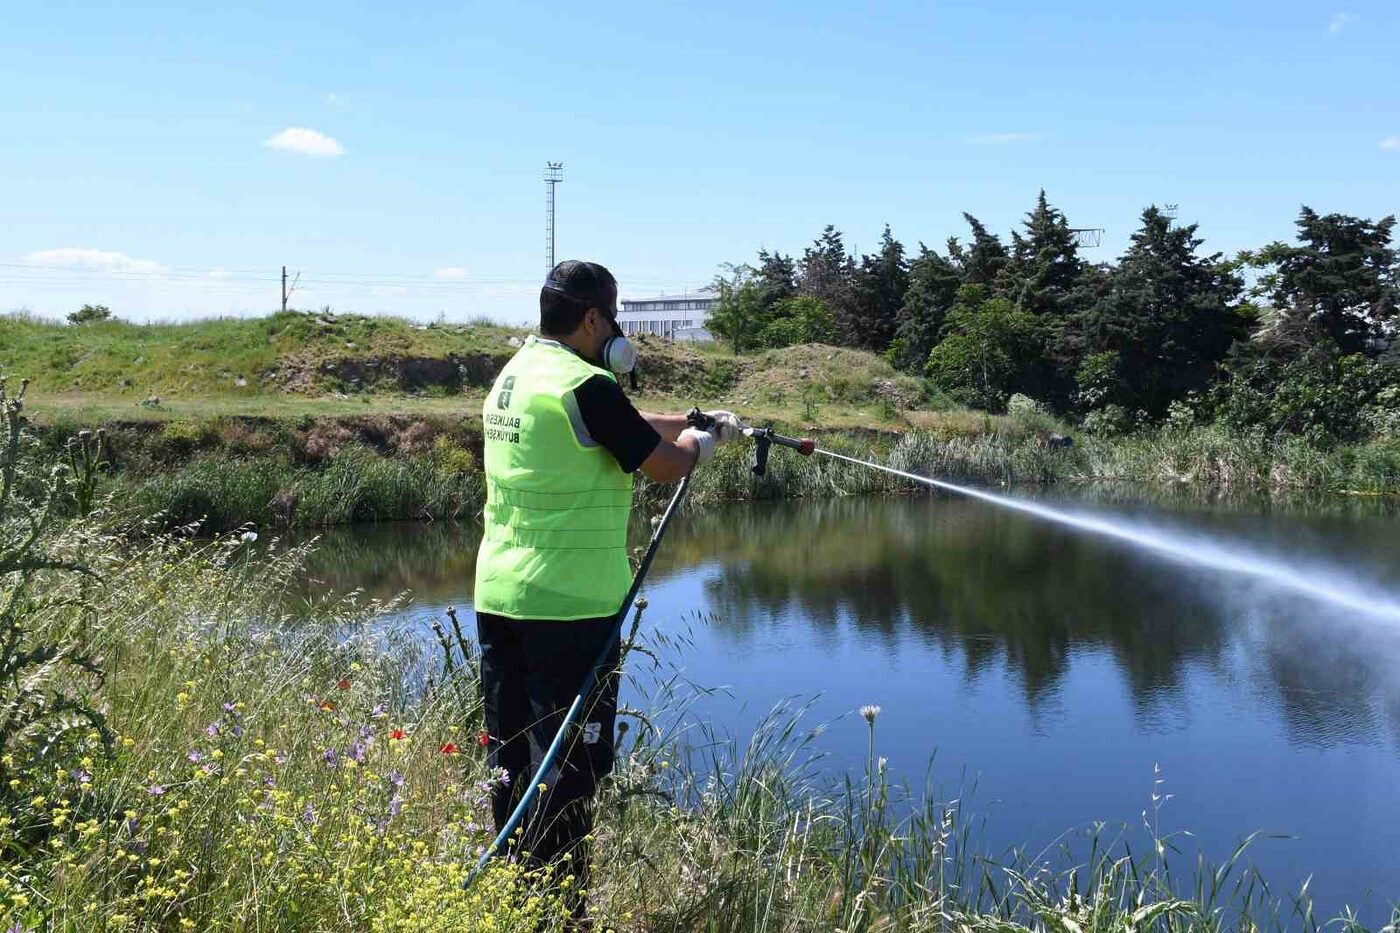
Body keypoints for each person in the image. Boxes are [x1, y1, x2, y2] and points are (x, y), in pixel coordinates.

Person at [474, 260, 742, 923]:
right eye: (613, 318)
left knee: (513, 760)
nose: (616, 330)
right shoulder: (587, 384)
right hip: (570, 608)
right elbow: (666, 463)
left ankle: (519, 904)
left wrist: (680, 416)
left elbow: (610, 420)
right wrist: (703, 440)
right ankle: (564, 916)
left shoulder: (518, 377)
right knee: (569, 772)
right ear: (593, 319)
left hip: (500, 596)